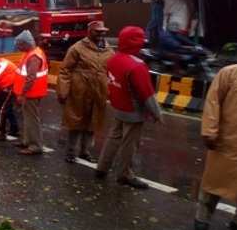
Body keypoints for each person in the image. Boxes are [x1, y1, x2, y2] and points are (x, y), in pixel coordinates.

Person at [194, 42, 237, 230]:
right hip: (228, 141)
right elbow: (213, 102)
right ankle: (202, 219)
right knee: (215, 182)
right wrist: (210, 132)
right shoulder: (230, 73)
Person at [96, 26, 162, 189]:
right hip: (134, 110)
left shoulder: (113, 59)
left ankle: (102, 167)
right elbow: (147, 94)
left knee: (114, 136)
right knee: (129, 143)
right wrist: (157, 114)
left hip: (118, 105)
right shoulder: (137, 66)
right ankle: (124, 174)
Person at [57, 21, 113, 163]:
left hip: (98, 92)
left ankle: (85, 151)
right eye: (97, 32)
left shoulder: (109, 50)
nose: (100, 35)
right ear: (89, 32)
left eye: (102, 32)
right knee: (75, 122)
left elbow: (112, 72)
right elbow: (65, 70)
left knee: (92, 123)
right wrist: (63, 90)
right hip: (79, 91)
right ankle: (71, 152)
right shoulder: (77, 48)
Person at [12, 30, 48, 155]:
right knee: (27, 118)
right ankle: (26, 141)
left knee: (32, 119)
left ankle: (35, 145)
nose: (18, 48)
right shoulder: (30, 53)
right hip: (28, 93)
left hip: (31, 94)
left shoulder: (33, 57)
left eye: (19, 45)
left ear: (25, 43)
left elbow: (31, 78)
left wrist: (22, 94)